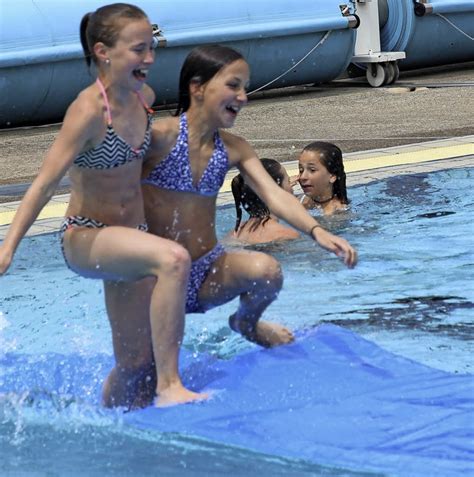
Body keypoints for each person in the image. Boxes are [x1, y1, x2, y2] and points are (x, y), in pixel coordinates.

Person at [104, 45, 357, 395]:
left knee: (266, 271)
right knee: (136, 369)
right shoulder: (158, 139)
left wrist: (316, 231)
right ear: (197, 88)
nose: (243, 96)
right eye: (233, 86)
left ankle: (247, 323)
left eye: (245, 87)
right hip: (154, 278)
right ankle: (110, 418)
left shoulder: (234, 147)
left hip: (205, 272)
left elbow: (275, 197)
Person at [0, 3, 207, 409]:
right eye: (138, 49)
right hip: (87, 235)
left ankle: (114, 419)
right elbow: (44, 183)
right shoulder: (88, 111)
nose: (149, 58)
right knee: (174, 260)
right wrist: (8, 248)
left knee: (135, 363)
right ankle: (171, 386)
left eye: (152, 47)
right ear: (103, 51)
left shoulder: (144, 97)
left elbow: (142, 166)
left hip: (133, 238)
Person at [228, 158, 300, 245]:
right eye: (288, 181)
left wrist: (283, 187)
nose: (292, 188)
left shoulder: (235, 233)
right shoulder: (285, 235)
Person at [297, 141, 350, 214]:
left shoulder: (337, 215)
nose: (302, 177)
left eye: (312, 170)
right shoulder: (300, 200)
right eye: (301, 170)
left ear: (332, 176)